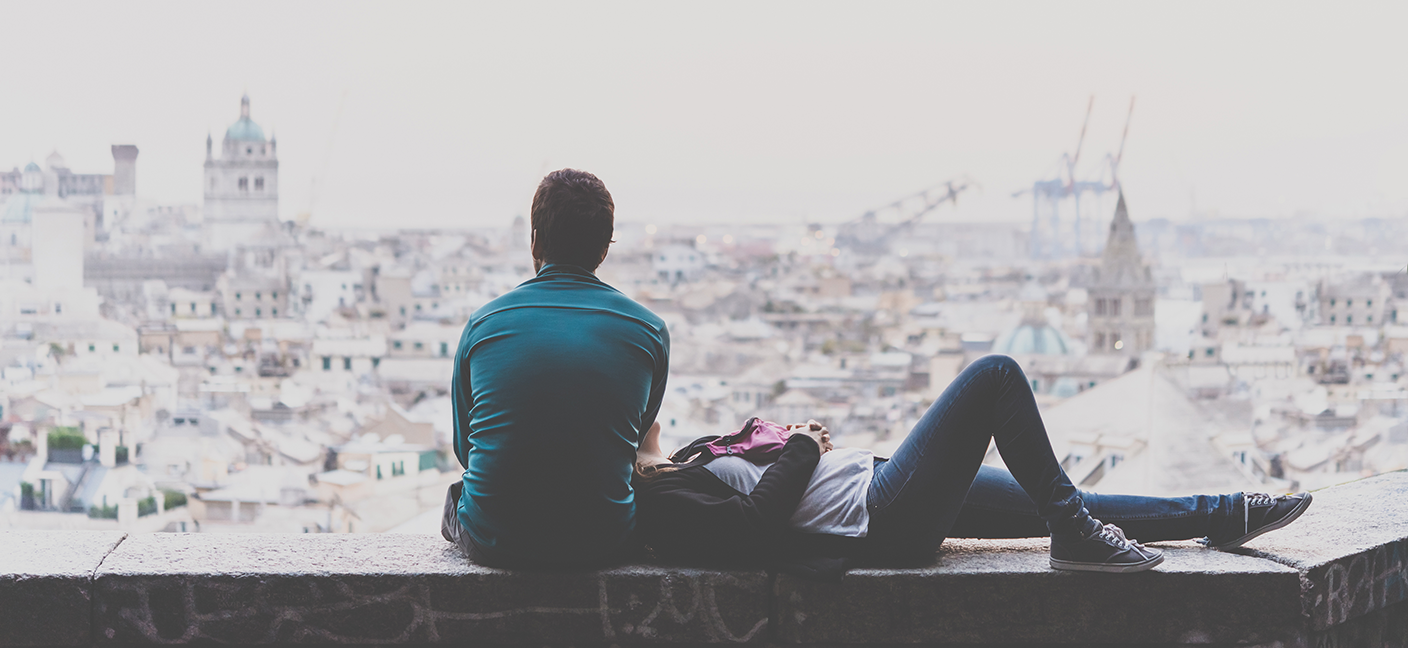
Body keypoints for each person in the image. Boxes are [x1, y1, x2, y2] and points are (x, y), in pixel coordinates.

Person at [633, 354, 1311, 578]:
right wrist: (806, 445)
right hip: (879, 514)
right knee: (995, 377)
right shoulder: (659, 496)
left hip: (879, 488)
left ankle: (1220, 516)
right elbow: (754, 526)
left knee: (1058, 497)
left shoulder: (680, 466)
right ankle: (1079, 540)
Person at [443, 169, 669, 568]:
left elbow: (467, 450)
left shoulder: (484, 324)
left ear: (535, 240)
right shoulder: (648, 330)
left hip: (496, 542)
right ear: (604, 249)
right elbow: (628, 446)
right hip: (604, 542)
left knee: (456, 496)